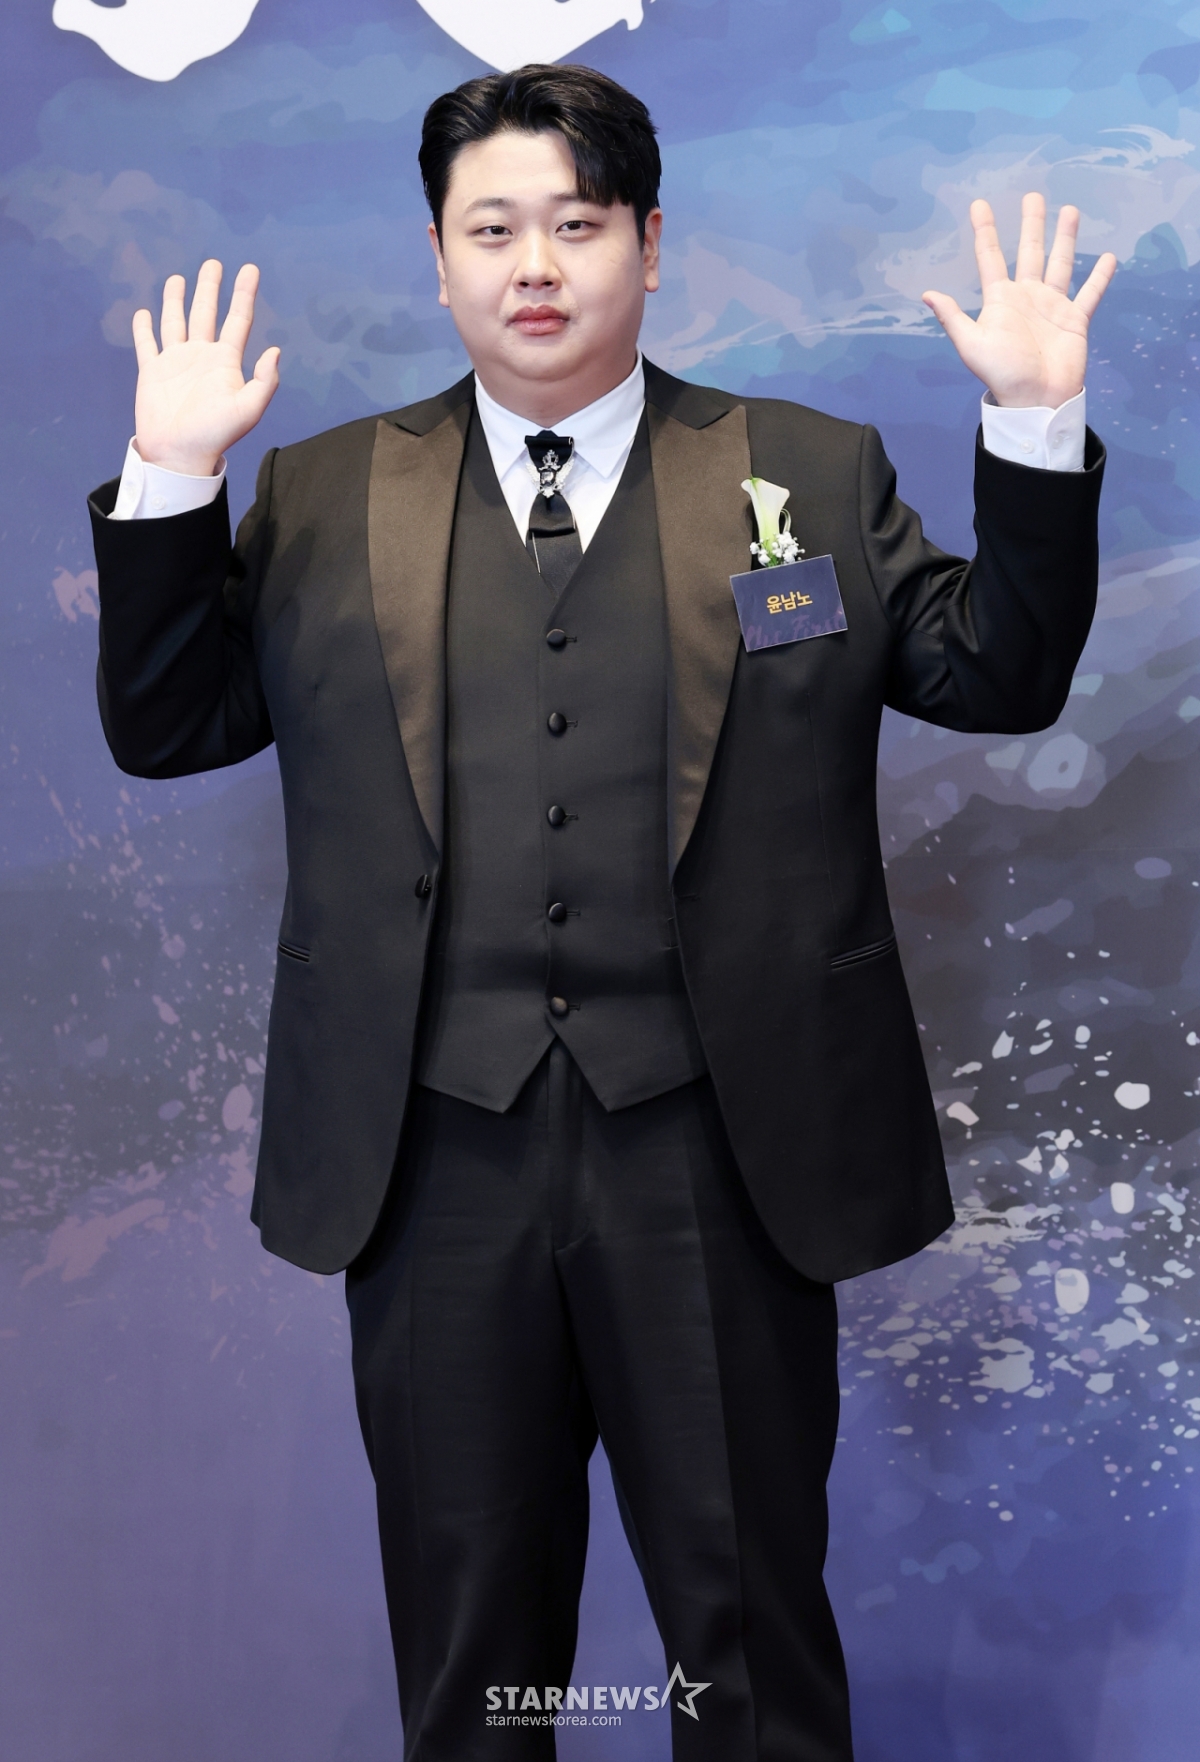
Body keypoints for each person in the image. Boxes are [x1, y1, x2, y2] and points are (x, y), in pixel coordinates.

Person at [87, 63, 1114, 1762]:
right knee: (474, 1660)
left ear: (648, 239)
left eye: (576, 223)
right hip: (430, 1158)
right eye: (493, 229)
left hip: (723, 1150)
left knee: (749, 1652)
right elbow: (168, 724)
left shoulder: (805, 472)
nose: (536, 265)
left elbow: (996, 676)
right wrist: (170, 473)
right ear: (437, 258)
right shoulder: (324, 495)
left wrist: (1033, 426)